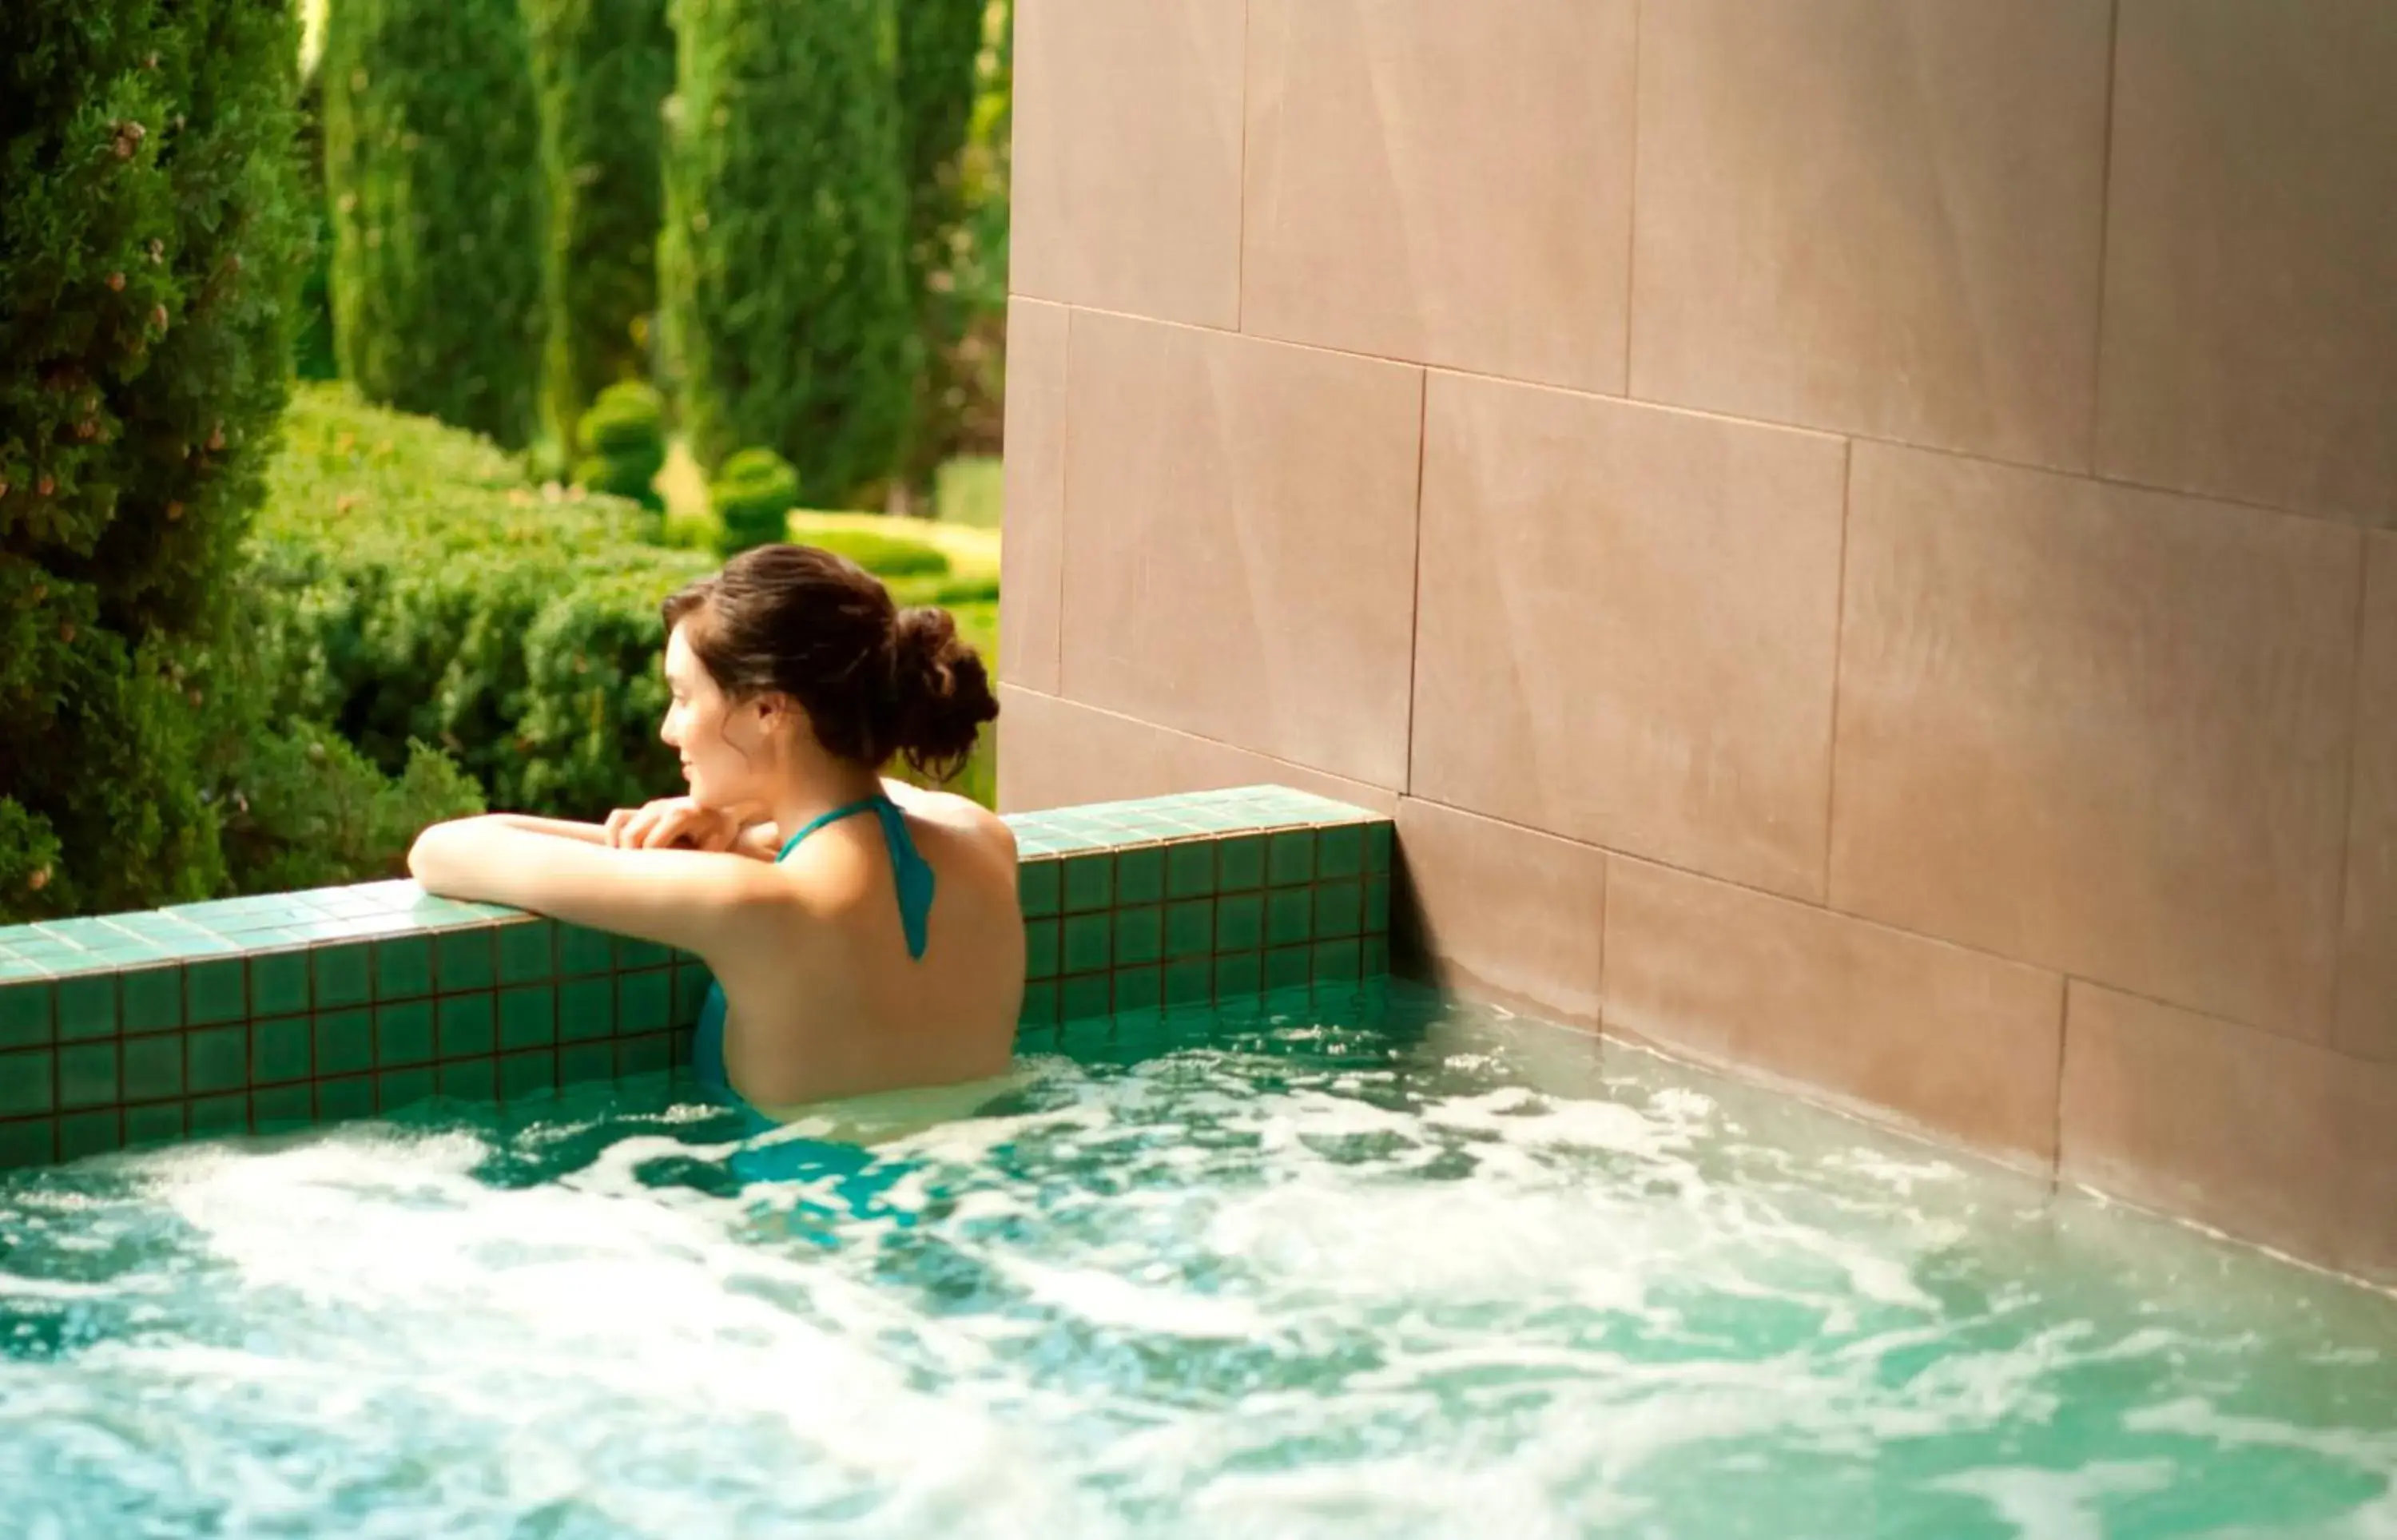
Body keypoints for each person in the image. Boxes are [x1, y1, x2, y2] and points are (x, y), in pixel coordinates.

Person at [408, 543, 1024, 1139]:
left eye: (682, 697)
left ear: (767, 711)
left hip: (794, 1231)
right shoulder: (986, 844)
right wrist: (753, 822)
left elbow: (442, 849)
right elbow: (881, 797)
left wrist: (681, 839)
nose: (668, 729)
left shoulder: (746, 902)